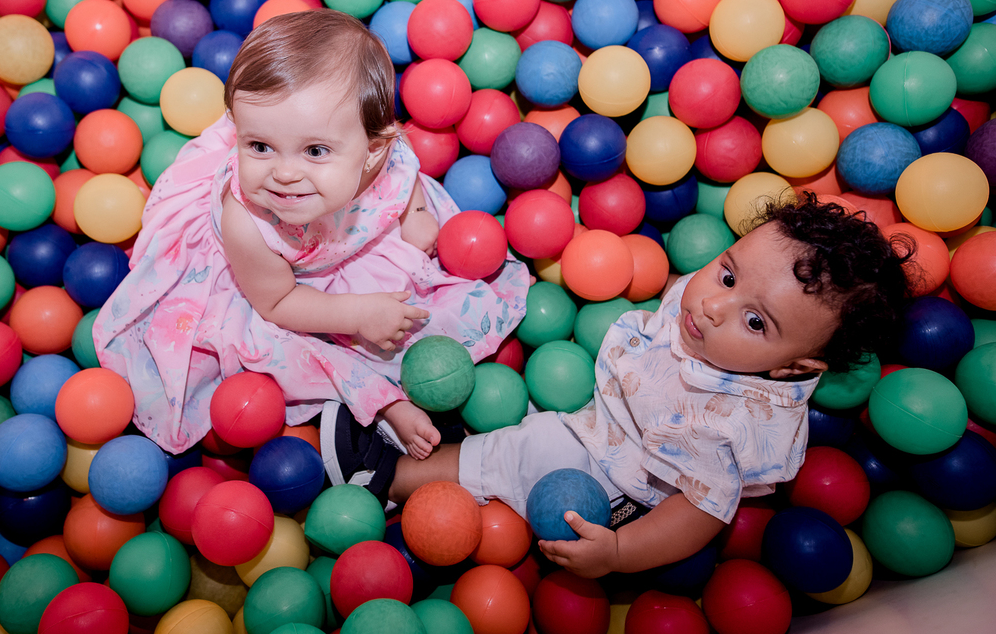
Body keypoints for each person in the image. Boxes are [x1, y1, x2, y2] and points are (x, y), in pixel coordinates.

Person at [322, 196, 912, 577]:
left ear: (789, 369)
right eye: (728, 273)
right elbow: (700, 298)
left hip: (628, 481)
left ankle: (384, 474)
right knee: (527, 423)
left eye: (755, 322)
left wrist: (619, 553)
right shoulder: (708, 304)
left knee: (527, 449)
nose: (711, 305)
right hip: (611, 414)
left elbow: (701, 513)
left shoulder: (733, 423)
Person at [93, 9, 530, 457]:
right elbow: (277, 303)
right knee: (291, 350)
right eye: (259, 146)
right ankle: (380, 404)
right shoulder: (246, 221)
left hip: (350, 238)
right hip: (276, 286)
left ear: (371, 149)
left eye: (315, 151)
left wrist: (416, 211)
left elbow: (405, 161)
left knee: (431, 299)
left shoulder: (383, 152)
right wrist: (355, 315)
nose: (283, 173)